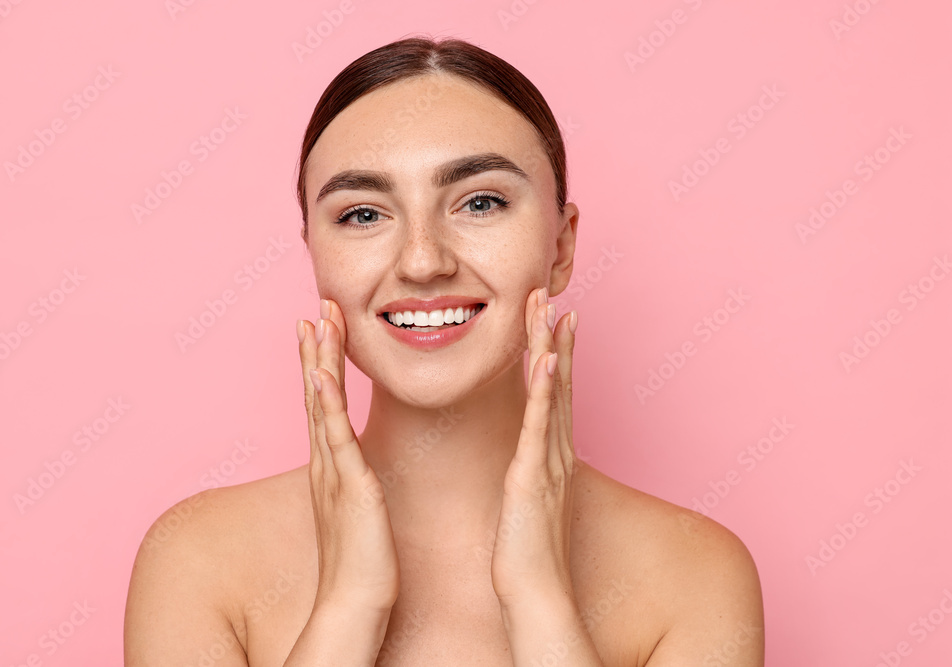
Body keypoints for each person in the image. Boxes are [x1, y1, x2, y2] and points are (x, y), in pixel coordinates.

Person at [124, 35, 764, 666]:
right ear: (314, 253)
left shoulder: (695, 575)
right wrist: (350, 606)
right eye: (363, 215)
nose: (423, 262)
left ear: (562, 247)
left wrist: (540, 601)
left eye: (480, 202)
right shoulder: (197, 560)